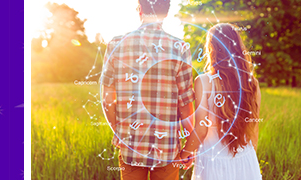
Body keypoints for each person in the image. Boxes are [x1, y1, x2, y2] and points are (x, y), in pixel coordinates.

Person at [99, 0, 195, 179]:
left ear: (140, 9)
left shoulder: (116, 44)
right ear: (166, 13)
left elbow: (107, 99)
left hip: (130, 146)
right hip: (167, 150)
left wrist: (118, 131)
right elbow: (185, 103)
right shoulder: (180, 48)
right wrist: (190, 146)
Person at [177, 23, 263, 180]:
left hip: (213, 162)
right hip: (246, 159)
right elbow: (254, 129)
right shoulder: (252, 84)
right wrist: (247, 161)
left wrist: (185, 153)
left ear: (212, 48)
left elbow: (201, 129)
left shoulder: (204, 82)